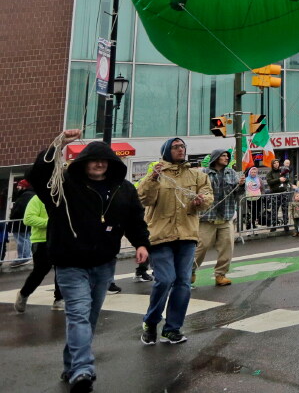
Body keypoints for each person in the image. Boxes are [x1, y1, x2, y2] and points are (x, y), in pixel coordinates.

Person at [28, 130, 150, 392]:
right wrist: (59, 143)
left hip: (104, 264)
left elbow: (134, 219)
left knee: (89, 318)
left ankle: (71, 366)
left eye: (105, 160)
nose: (100, 163)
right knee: (79, 315)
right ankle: (83, 370)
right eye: (94, 159)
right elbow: (37, 174)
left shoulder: (123, 189)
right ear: (83, 162)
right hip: (70, 264)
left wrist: (141, 243)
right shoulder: (63, 185)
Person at [138, 137, 213, 345]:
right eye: (175, 147)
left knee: (183, 282)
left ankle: (172, 328)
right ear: (166, 150)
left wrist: (201, 201)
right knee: (165, 279)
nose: (180, 149)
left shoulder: (196, 174)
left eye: (182, 147)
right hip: (160, 236)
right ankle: (151, 322)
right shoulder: (157, 173)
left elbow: (208, 196)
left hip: (187, 236)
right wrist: (152, 178)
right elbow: (144, 198)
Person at [194, 148, 242, 287]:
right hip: (207, 217)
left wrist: (241, 185)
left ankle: (220, 275)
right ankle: (189, 272)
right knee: (201, 247)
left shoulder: (231, 172)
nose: (226, 158)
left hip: (226, 217)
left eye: (227, 156)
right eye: (223, 156)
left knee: (227, 248)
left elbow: (236, 193)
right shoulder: (204, 173)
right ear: (216, 158)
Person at [13, 192, 64, 312]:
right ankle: (23, 294)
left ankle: (59, 299)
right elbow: (28, 218)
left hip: (60, 240)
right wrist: (50, 223)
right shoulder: (37, 199)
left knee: (62, 270)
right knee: (40, 271)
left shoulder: (64, 198)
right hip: (41, 241)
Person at [9, 178, 35, 266]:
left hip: (21, 223)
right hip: (24, 222)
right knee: (26, 239)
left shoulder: (25, 195)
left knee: (22, 240)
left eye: (19, 185)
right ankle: (26, 256)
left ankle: (24, 257)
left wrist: (13, 216)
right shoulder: (28, 195)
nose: (18, 187)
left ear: (24, 186)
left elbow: (20, 209)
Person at [266, 158, 291, 233]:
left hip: (283, 192)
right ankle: (274, 225)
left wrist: (284, 179)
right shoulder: (270, 173)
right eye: (274, 163)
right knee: (274, 210)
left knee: (285, 209)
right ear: (272, 164)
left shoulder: (282, 170)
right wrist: (278, 180)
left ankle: (285, 224)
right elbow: (269, 182)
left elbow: (288, 179)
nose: (276, 164)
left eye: (277, 162)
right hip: (275, 193)